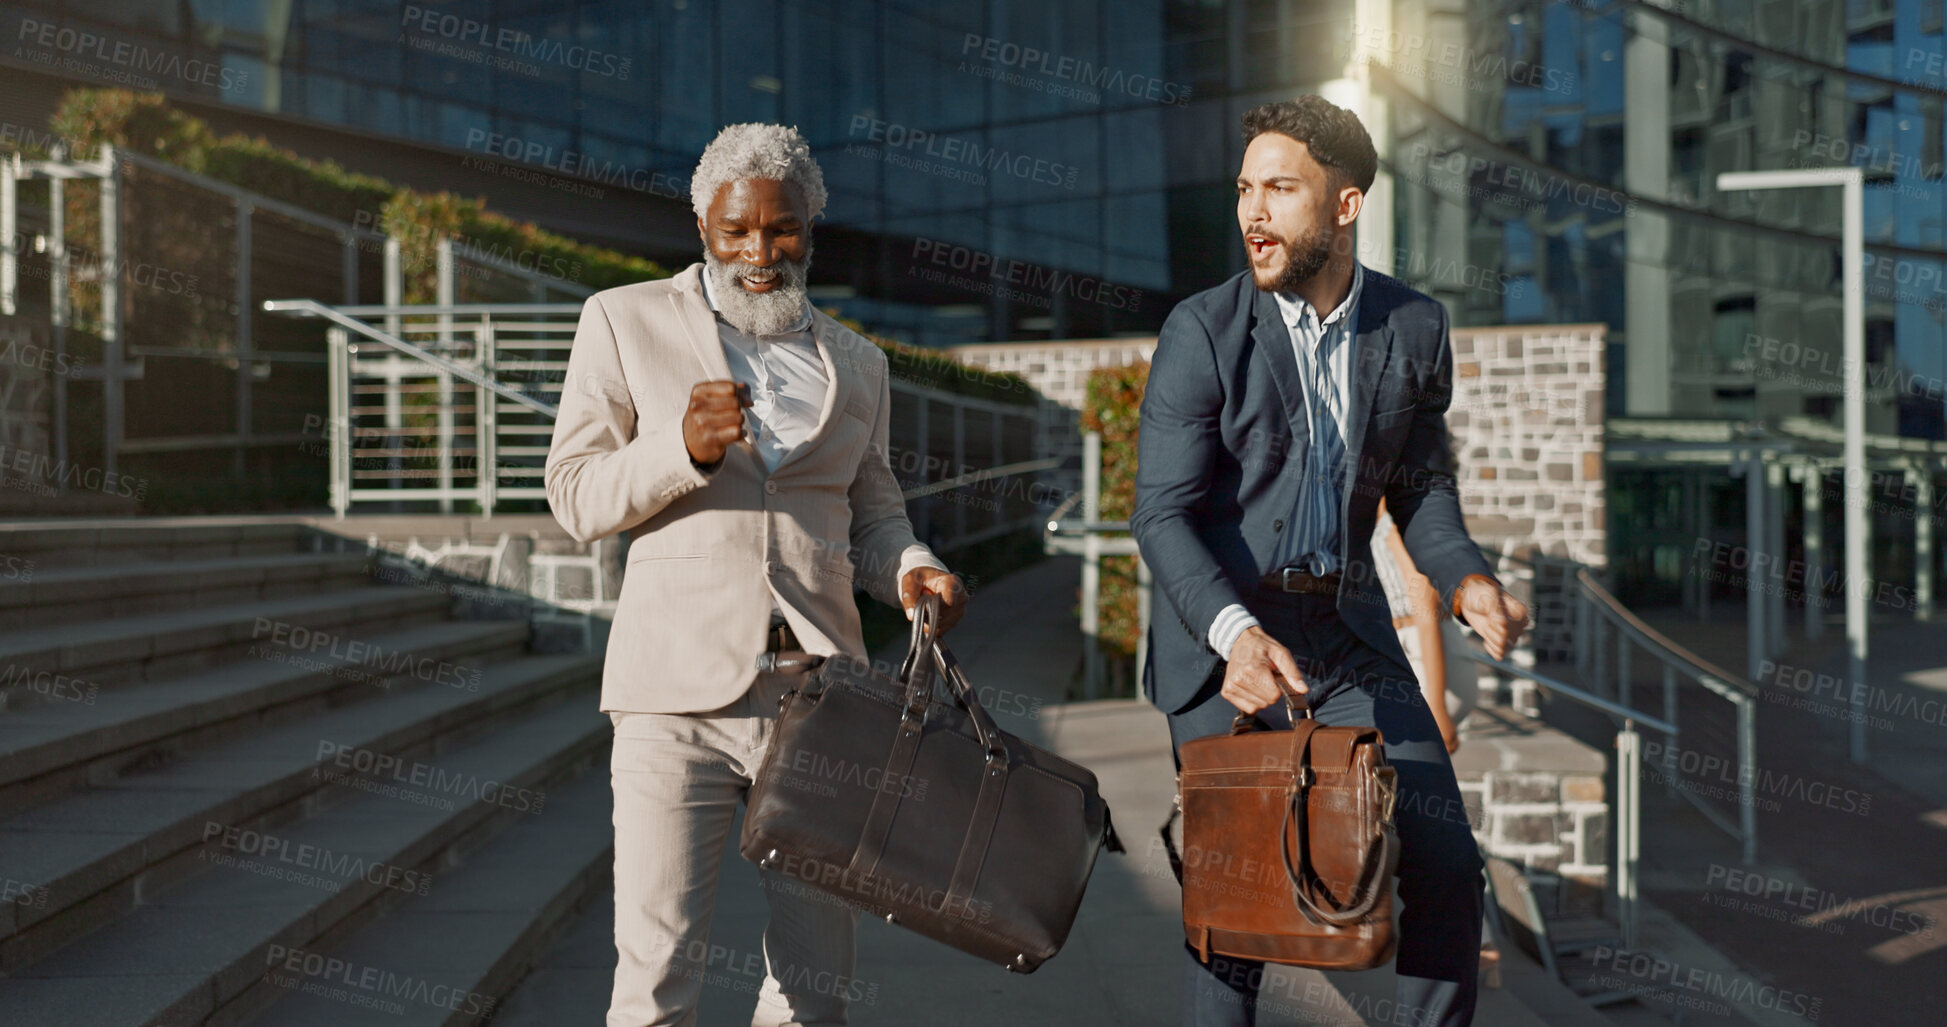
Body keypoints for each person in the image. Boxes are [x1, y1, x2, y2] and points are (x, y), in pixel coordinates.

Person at [544, 122, 966, 1027]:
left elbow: (875, 510)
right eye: (736, 230)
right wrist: (678, 450)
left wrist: (915, 567)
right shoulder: (622, 320)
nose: (757, 251)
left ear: (810, 227)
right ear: (702, 223)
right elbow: (574, 497)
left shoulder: (859, 361)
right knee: (656, 978)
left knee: (815, 989)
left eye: (780, 230)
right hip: (672, 703)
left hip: (820, 704)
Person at [1129, 95, 1529, 1027]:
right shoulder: (1201, 330)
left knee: (1443, 862)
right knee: (1241, 907)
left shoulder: (1414, 327)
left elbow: (1419, 491)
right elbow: (1162, 515)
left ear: (1344, 206)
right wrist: (1235, 636)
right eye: (1243, 189)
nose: (1251, 213)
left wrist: (1466, 578)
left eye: (1279, 189)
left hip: (1345, 635)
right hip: (1223, 636)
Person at [1374, 497, 1479, 754]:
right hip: (1410, 649)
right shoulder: (1373, 514)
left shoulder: (1396, 520)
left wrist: (1438, 707)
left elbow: (1425, 610)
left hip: (1426, 656)